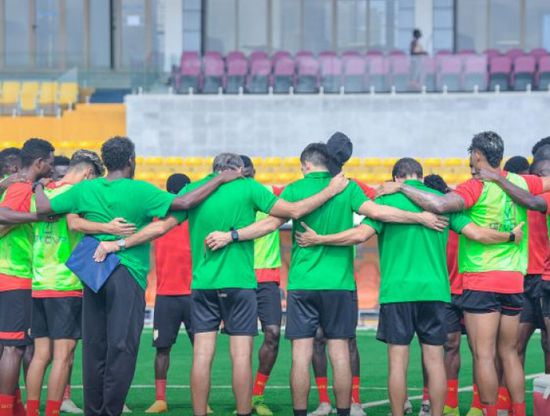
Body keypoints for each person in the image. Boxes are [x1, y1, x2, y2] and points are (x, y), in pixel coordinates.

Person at [91, 151, 352, 416]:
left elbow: (159, 228)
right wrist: (330, 191)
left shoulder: (195, 190)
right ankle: (243, 412)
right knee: (240, 357)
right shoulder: (249, 187)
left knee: (202, 356)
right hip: (240, 284)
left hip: (203, 285)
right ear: (237, 169)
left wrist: (119, 244)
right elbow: (294, 211)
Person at [203, 141, 449, 416]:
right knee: (339, 350)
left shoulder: (295, 189)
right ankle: (344, 411)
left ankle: (300, 412)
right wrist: (420, 218)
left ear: (307, 165)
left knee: (301, 354)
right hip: (339, 284)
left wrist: (231, 235)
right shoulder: (348, 187)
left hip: (302, 283)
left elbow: (268, 225)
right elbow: (378, 213)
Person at [296, 157, 524, 416]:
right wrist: (509, 236)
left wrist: (319, 239)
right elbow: (478, 234)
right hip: (436, 291)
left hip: (397, 292)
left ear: (396, 179)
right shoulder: (441, 201)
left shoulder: (385, 201)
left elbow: (358, 235)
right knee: (435, 359)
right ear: (420, 176)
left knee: (397, 361)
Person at [33, 136, 243, 416]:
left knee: (95, 344)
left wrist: (37, 186)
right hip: (126, 271)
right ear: (131, 161)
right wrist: (218, 180)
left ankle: (94, 411)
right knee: (122, 345)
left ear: (105, 162)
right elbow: (184, 202)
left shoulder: (87, 189)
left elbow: (45, 209)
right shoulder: (141, 191)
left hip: (92, 273)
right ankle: (111, 410)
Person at [377, 132, 550, 416]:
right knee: (509, 353)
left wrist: (402, 188)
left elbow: (440, 206)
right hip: (514, 279)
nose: (470, 160)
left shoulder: (474, 187)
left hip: (481, 279)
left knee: (483, 355)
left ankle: (489, 413)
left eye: (471, 154)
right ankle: (519, 412)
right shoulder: (521, 181)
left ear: (478, 156)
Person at [25, 150, 136, 416]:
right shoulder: (79, 195)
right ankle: (52, 411)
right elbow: (76, 225)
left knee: (41, 355)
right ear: (88, 174)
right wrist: (110, 228)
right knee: (64, 356)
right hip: (66, 284)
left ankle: (31, 411)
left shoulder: (42, 193)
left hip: (39, 281)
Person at [475, 158, 550, 373]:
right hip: (522, 276)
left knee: (544, 343)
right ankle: (507, 404)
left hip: (542, 277)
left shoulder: (537, 197)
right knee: (513, 346)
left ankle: (544, 399)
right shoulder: (513, 194)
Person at [0, 138, 55, 416]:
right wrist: (39, 217)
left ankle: (16, 408)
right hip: (15, 274)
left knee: (11, 347)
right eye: (51, 161)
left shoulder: (22, 186)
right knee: (14, 348)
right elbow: (3, 215)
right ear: (39, 163)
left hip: (10, 274)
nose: (52, 166)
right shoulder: (21, 187)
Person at [145, 173, 196, 414]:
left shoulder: (196, 214)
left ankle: (198, 395)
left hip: (193, 292)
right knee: (162, 348)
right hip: (167, 293)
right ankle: (160, 399)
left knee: (200, 348)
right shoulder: (158, 213)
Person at [240, 156, 283, 416]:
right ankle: (244, 399)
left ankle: (258, 395)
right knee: (241, 341)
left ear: (254, 172)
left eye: (249, 172)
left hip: (267, 278)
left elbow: (306, 193)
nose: (247, 177)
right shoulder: (230, 198)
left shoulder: (270, 194)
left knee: (273, 334)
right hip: (240, 276)